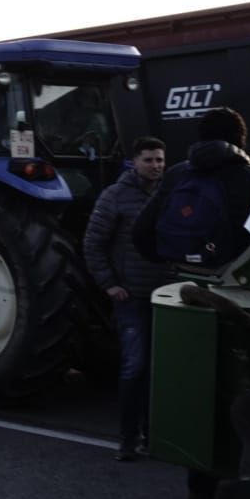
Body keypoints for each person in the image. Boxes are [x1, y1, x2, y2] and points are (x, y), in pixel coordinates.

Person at [132, 106, 250, 499]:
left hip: (183, 293)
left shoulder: (176, 176)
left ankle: (197, 490)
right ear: (241, 140)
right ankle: (232, 494)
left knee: (192, 390)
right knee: (236, 394)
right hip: (233, 297)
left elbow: (142, 234)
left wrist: (176, 263)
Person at [83, 136, 168, 462]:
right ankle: (128, 441)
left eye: (159, 160)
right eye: (149, 160)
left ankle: (153, 436)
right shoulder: (115, 197)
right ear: (134, 162)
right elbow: (93, 244)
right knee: (135, 367)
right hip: (131, 296)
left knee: (158, 370)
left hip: (164, 296)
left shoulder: (168, 195)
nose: (156, 166)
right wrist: (109, 285)